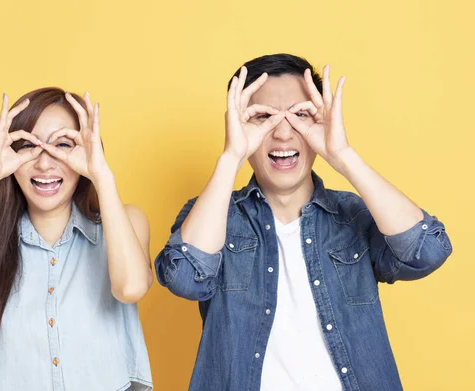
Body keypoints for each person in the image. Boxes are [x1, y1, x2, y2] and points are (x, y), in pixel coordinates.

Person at [154, 54, 452, 391]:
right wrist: (230, 156)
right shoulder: (211, 214)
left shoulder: (354, 214)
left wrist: (342, 155)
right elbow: (184, 278)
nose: (282, 132)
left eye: (300, 115)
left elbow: (427, 251)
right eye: (263, 116)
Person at [0, 88, 153, 391]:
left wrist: (100, 173)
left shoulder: (125, 223)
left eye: (62, 145)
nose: (44, 164)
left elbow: (130, 288)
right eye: (29, 145)